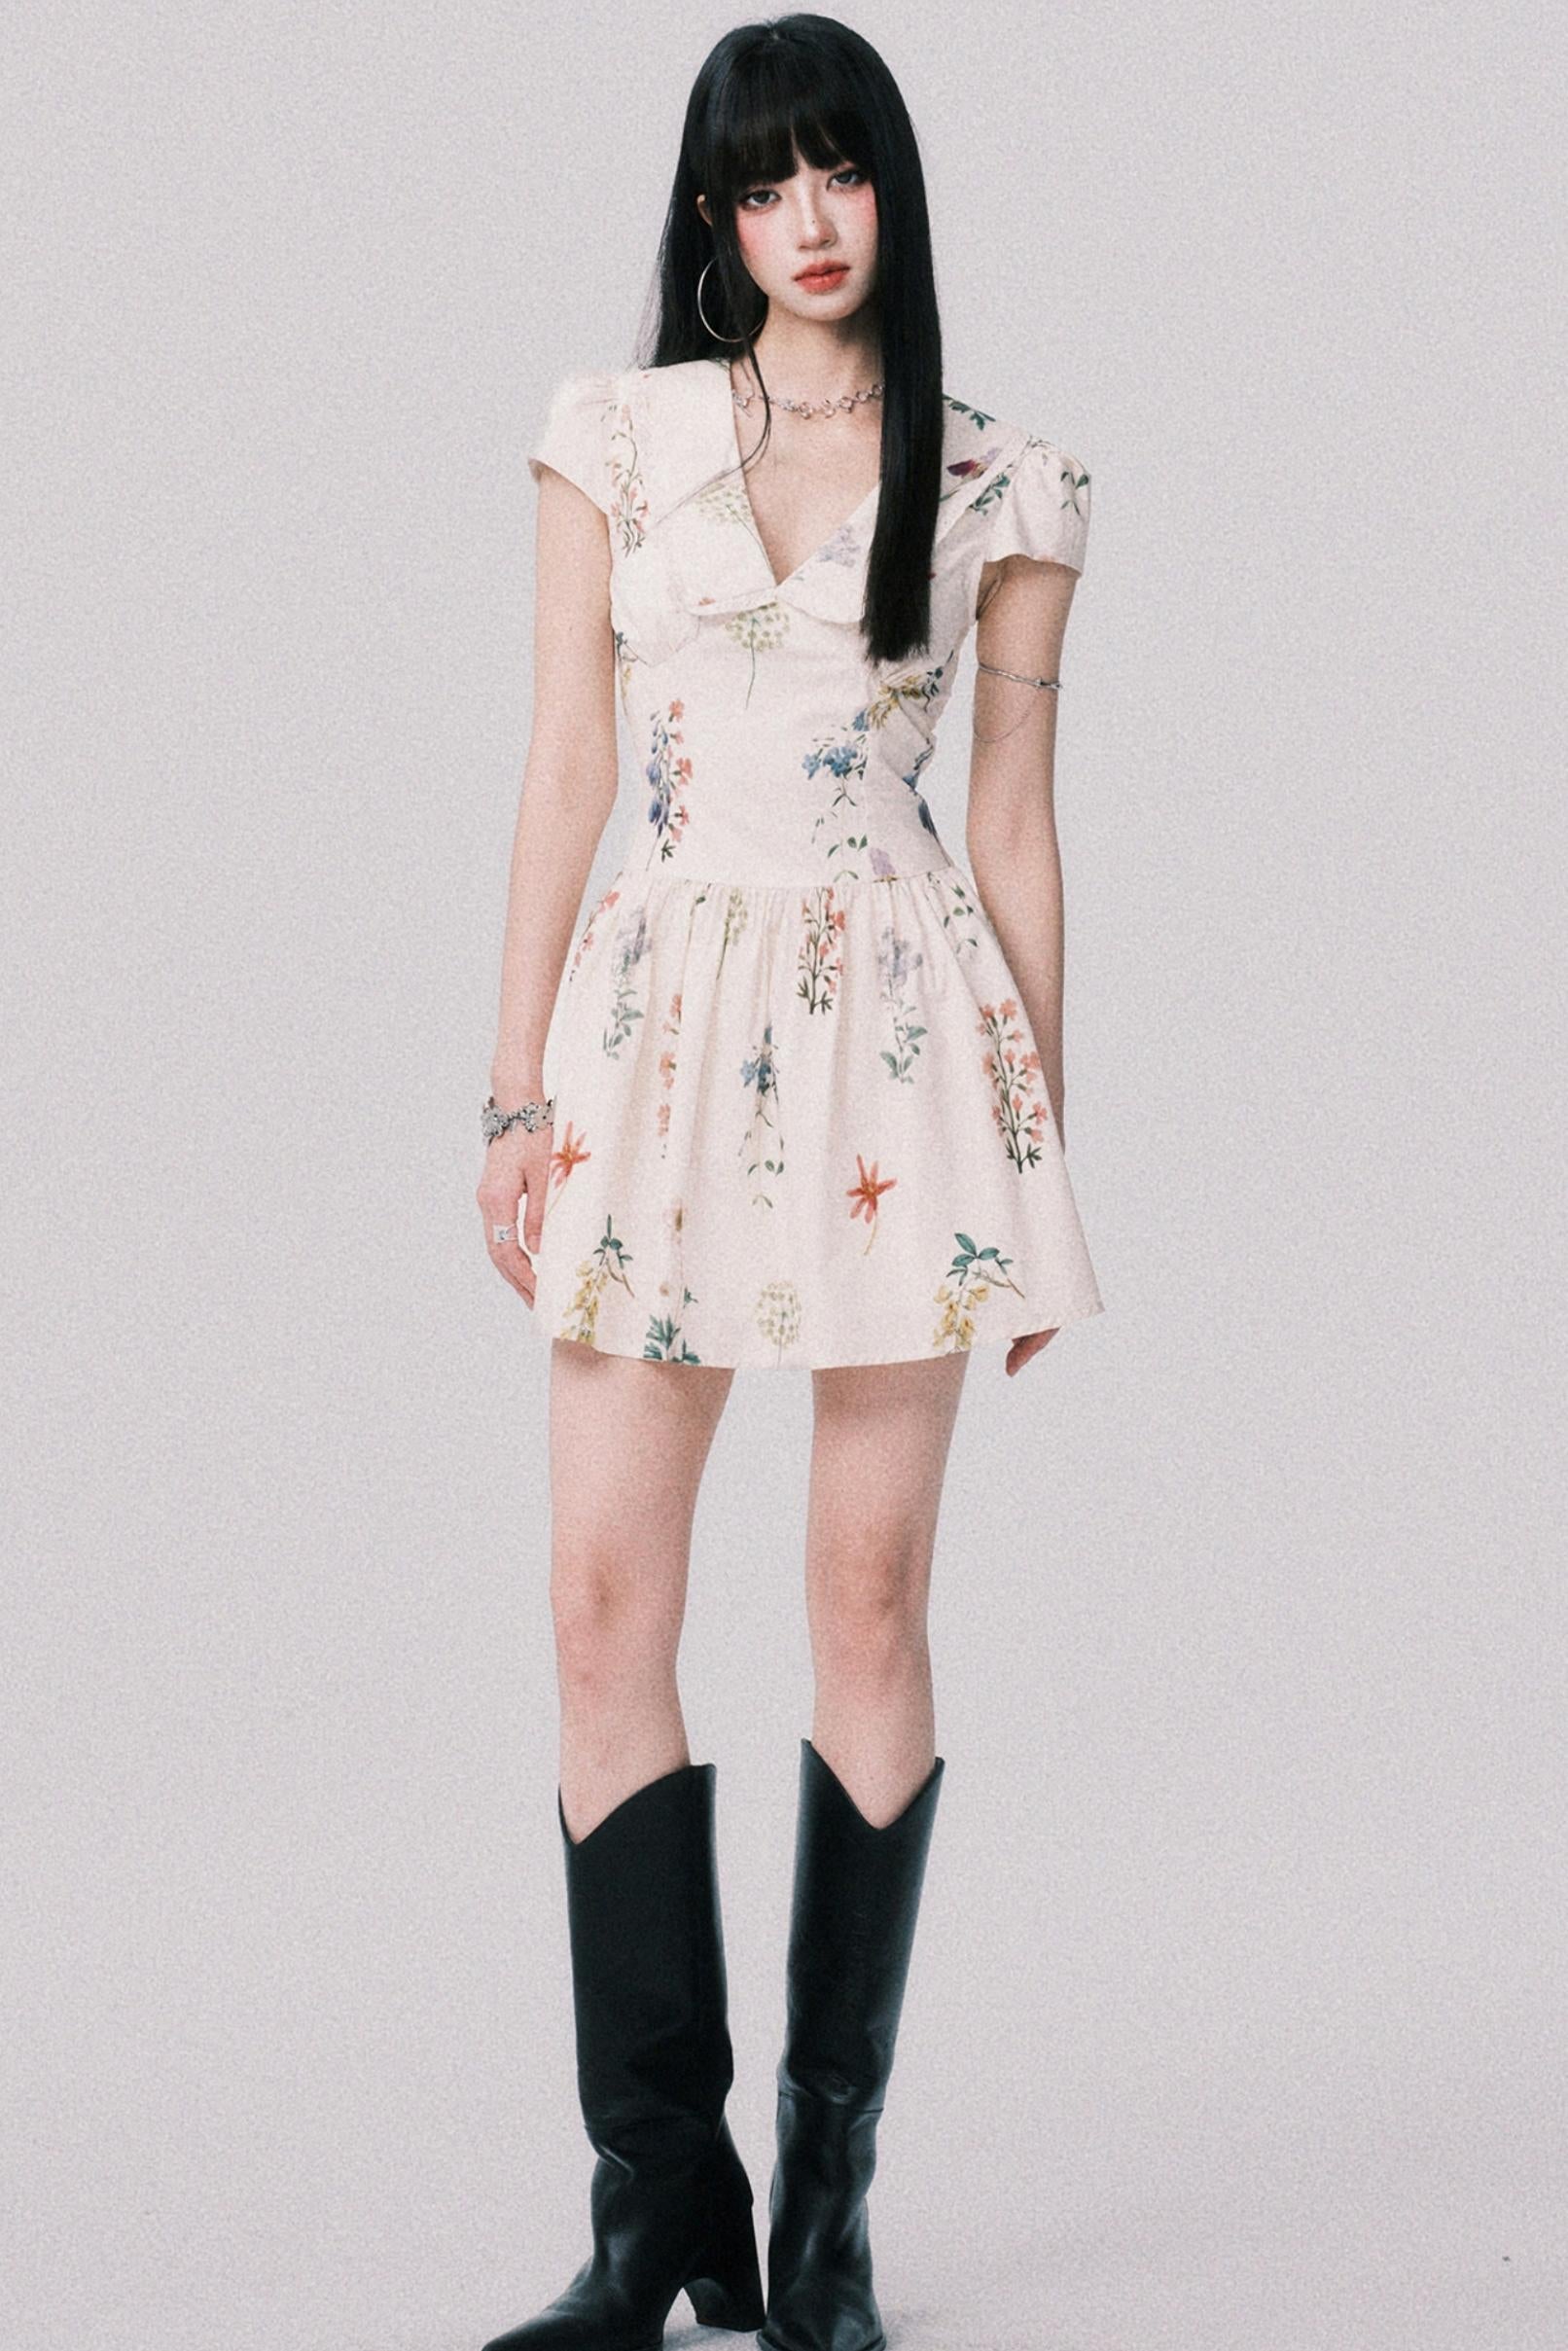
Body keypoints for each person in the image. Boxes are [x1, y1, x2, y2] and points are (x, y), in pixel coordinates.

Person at [474, 16, 1103, 2349]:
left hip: (893, 1061)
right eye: (764, 183)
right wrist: (509, 1092)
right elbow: (563, 759)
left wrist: (1034, 1166)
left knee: (864, 1604)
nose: (809, 219)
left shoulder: (998, 481)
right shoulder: (613, 440)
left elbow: (1012, 831)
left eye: (840, 171)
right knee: (595, 1613)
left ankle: (821, 2220)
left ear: (888, 191)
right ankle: (660, 2211)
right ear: (713, 215)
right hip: (648, 1045)